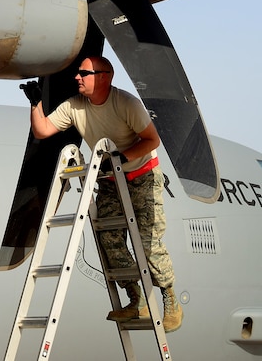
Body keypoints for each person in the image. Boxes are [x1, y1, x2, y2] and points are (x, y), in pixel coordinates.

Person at [21, 56, 182, 332]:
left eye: (84, 73)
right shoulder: (75, 106)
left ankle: (171, 302)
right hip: (111, 179)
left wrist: (121, 157)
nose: (77, 77)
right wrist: (35, 103)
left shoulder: (126, 104)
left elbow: (152, 140)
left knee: (147, 244)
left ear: (105, 77)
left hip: (142, 177)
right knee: (108, 239)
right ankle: (136, 300)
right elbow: (43, 129)